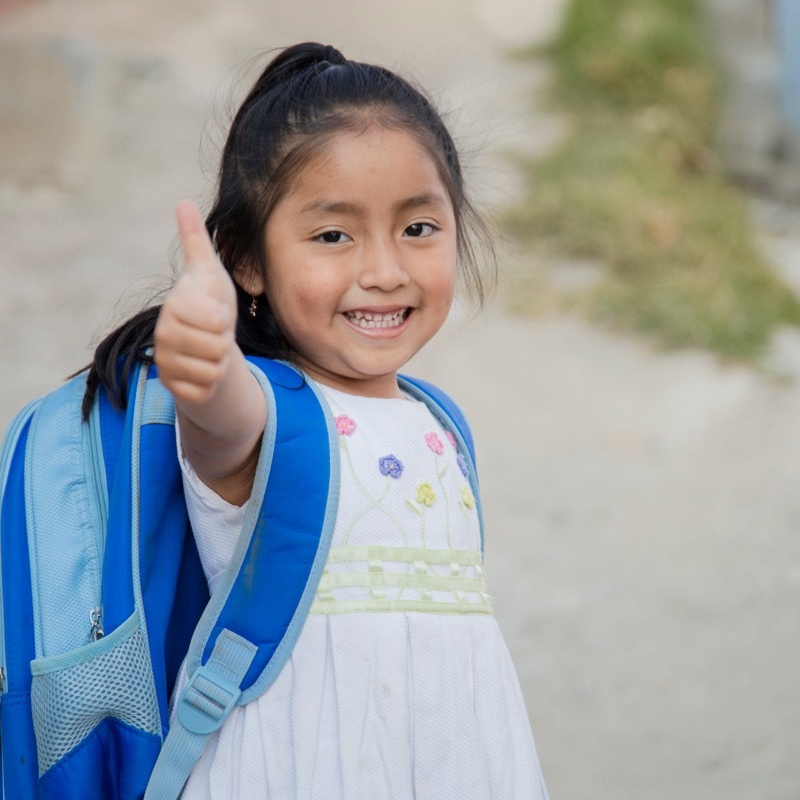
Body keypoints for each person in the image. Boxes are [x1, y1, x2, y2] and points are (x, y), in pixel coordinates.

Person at [80, 41, 547, 799]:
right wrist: (204, 361)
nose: (384, 270)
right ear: (248, 261)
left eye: (418, 228)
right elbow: (221, 420)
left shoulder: (441, 421)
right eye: (333, 235)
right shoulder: (269, 413)